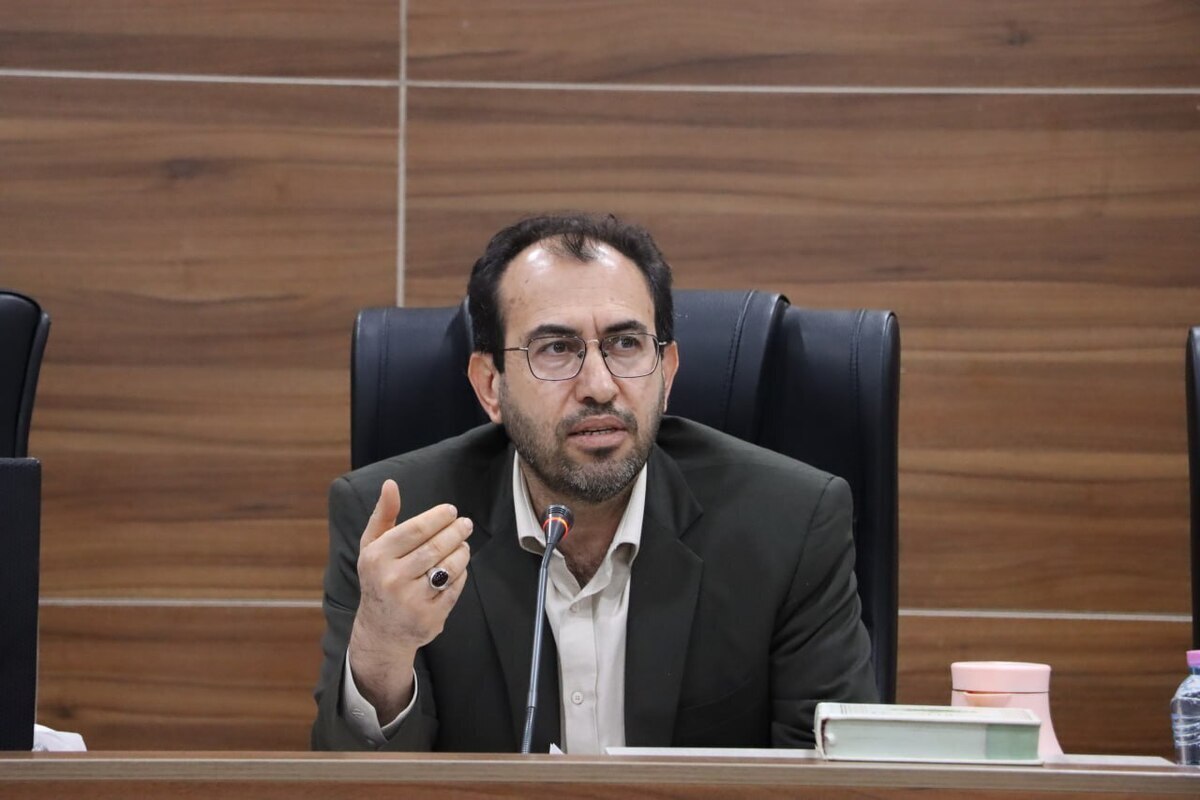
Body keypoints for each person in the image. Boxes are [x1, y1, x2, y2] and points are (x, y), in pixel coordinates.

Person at [311, 213, 877, 753]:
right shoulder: (399, 530)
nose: (599, 386)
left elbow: (838, 776)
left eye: (626, 344)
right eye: (557, 349)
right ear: (490, 386)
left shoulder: (790, 527)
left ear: (667, 373)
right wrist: (384, 648)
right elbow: (358, 785)